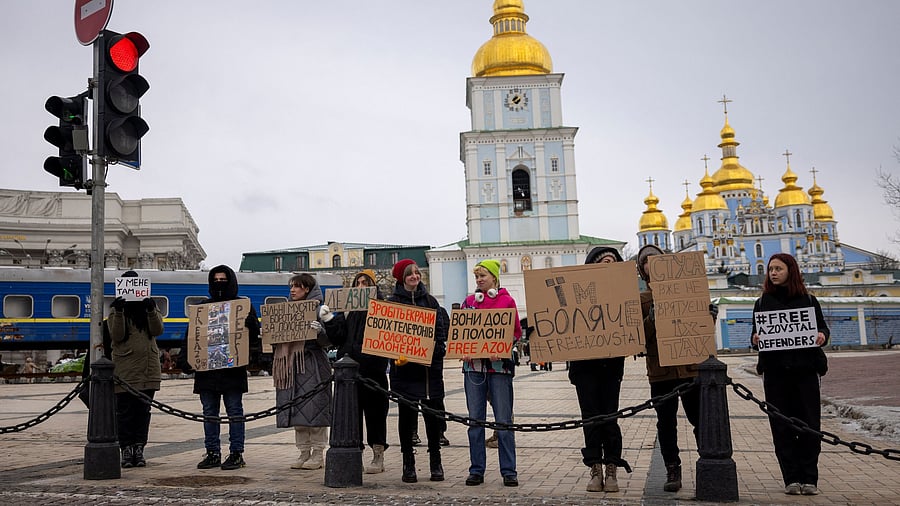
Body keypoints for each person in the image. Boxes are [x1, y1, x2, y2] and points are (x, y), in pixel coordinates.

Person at [751, 253, 829, 496]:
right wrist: (755, 340)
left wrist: (822, 336)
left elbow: (822, 327)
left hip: (805, 372)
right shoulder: (763, 302)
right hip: (775, 375)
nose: (773, 273)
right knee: (781, 427)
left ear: (790, 271)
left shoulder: (808, 300)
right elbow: (756, 334)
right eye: (771, 269)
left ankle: (809, 478)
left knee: (809, 425)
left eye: (778, 269)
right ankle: (791, 478)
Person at [178, 265, 261, 471]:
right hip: (207, 372)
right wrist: (184, 359)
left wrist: (253, 325)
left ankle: (236, 453)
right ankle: (212, 452)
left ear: (231, 281)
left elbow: (254, 342)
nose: (219, 283)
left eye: (223, 279)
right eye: (216, 280)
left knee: (234, 411)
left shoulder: (244, 306)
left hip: (233, 370)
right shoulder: (203, 307)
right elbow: (191, 336)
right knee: (209, 412)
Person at [568, 247, 632, 492]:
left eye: (614, 261)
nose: (609, 264)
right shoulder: (578, 294)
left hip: (610, 366)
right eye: (604, 261)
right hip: (584, 367)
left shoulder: (622, 295)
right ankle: (595, 467)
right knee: (591, 419)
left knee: (609, 418)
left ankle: (612, 468)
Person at [638, 244, 700, 492]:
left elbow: (699, 327)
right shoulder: (642, 301)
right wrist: (651, 318)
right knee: (666, 423)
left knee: (699, 419)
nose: (651, 263)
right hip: (661, 371)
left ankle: (706, 462)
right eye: (645, 261)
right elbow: (638, 338)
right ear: (643, 271)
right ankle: (672, 468)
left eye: (655, 258)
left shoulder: (687, 292)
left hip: (689, 368)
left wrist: (708, 315)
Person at [459, 259, 522, 487]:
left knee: (503, 421)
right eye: (477, 276)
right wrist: (464, 350)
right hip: (473, 369)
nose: (479, 280)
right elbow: (462, 334)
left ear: (494, 278)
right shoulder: (469, 303)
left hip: (499, 369)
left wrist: (502, 348)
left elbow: (515, 332)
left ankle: (509, 471)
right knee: (475, 420)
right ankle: (476, 469)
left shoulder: (507, 301)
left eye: (483, 276)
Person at [387, 259, 449, 483]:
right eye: (409, 273)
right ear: (401, 278)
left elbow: (440, 336)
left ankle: (436, 461)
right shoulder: (392, 303)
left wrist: (434, 352)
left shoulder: (431, 302)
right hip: (404, 373)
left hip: (428, 372)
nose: (415, 276)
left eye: (416, 272)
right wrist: (396, 355)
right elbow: (386, 338)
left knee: (432, 418)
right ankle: (408, 463)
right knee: (406, 418)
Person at [275, 273, 343, 471]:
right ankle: (303, 451)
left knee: (315, 410)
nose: (293, 290)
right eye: (292, 287)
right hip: (291, 366)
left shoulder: (320, 309)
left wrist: (321, 331)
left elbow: (330, 340)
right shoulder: (286, 311)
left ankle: (317, 452)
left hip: (312, 364)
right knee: (297, 410)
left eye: (297, 287)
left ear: (307, 289)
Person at [105, 270, 165, 469]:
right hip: (125, 370)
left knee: (143, 411)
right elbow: (117, 335)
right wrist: (120, 312)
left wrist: (150, 310)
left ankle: (139, 448)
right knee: (125, 412)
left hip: (148, 369)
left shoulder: (150, 307)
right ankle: (126, 449)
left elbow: (157, 331)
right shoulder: (115, 310)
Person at [334, 269, 391, 473]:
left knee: (375, 413)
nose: (361, 286)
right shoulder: (347, 308)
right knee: (352, 413)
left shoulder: (382, 308)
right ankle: (354, 453)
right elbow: (338, 337)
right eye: (358, 282)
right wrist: (330, 321)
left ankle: (378, 453)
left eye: (365, 283)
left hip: (373, 369)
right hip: (350, 369)